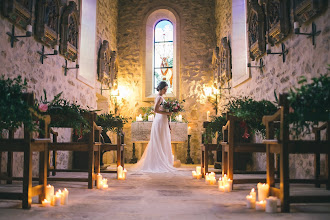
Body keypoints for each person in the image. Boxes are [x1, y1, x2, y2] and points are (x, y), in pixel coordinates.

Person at [131, 81, 177, 173]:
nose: (165, 91)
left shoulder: (160, 97)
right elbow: (155, 110)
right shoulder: (159, 98)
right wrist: (167, 113)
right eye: (164, 89)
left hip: (162, 120)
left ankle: (162, 161)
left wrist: (168, 118)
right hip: (160, 120)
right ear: (160, 88)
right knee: (160, 140)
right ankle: (159, 162)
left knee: (162, 140)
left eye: (166, 89)